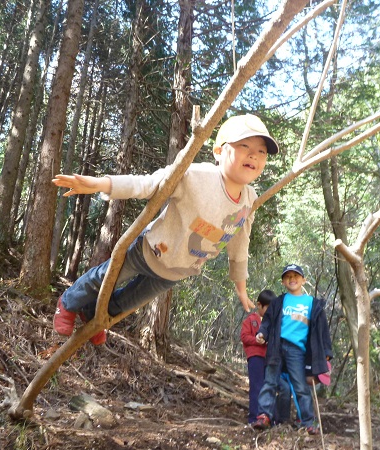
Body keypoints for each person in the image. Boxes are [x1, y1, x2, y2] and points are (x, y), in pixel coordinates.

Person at [52, 114, 279, 345]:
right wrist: (101, 184)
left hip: (176, 272)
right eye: (244, 145)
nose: (254, 154)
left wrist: (241, 287)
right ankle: (68, 303)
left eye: (262, 151)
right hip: (150, 250)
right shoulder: (197, 175)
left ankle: (92, 316)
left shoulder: (249, 200)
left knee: (124, 303)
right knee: (103, 278)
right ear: (219, 152)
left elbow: (240, 245)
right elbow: (148, 183)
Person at [251, 264, 332, 434]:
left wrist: (326, 353)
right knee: (270, 381)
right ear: (283, 282)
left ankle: (307, 421)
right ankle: (264, 415)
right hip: (276, 346)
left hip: (298, 350)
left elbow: (322, 330)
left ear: (304, 280)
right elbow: (268, 321)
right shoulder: (278, 302)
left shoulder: (312, 304)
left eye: (296, 276)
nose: (292, 279)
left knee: (300, 385)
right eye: (288, 276)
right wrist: (262, 333)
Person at [241, 289, 292, 425]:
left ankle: (274, 418)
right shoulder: (251, 320)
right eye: (268, 308)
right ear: (259, 305)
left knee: (277, 387)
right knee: (257, 387)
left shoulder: (275, 324)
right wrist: (256, 340)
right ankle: (254, 418)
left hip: (270, 360)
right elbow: (244, 337)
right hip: (256, 357)